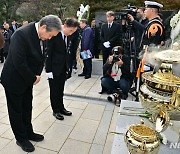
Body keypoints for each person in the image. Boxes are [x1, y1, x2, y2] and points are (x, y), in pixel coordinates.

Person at [0, 15, 62, 152]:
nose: (50, 38)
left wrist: (37, 74)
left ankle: (29, 132)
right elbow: (19, 62)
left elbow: (41, 56)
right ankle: (21, 138)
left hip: (27, 79)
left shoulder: (41, 35)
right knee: (16, 110)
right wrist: (33, 78)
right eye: (50, 35)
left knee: (27, 106)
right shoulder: (21, 35)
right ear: (44, 27)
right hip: (14, 80)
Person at [45, 18, 79, 121]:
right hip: (54, 68)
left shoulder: (68, 37)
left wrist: (68, 68)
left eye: (73, 31)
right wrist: (48, 70)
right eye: (71, 30)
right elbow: (48, 53)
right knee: (54, 91)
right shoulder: (54, 35)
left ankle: (61, 107)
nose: (71, 33)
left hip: (63, 68)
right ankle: (55, 110)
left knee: (61, 90)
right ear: (64, 26)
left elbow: (67, 53)